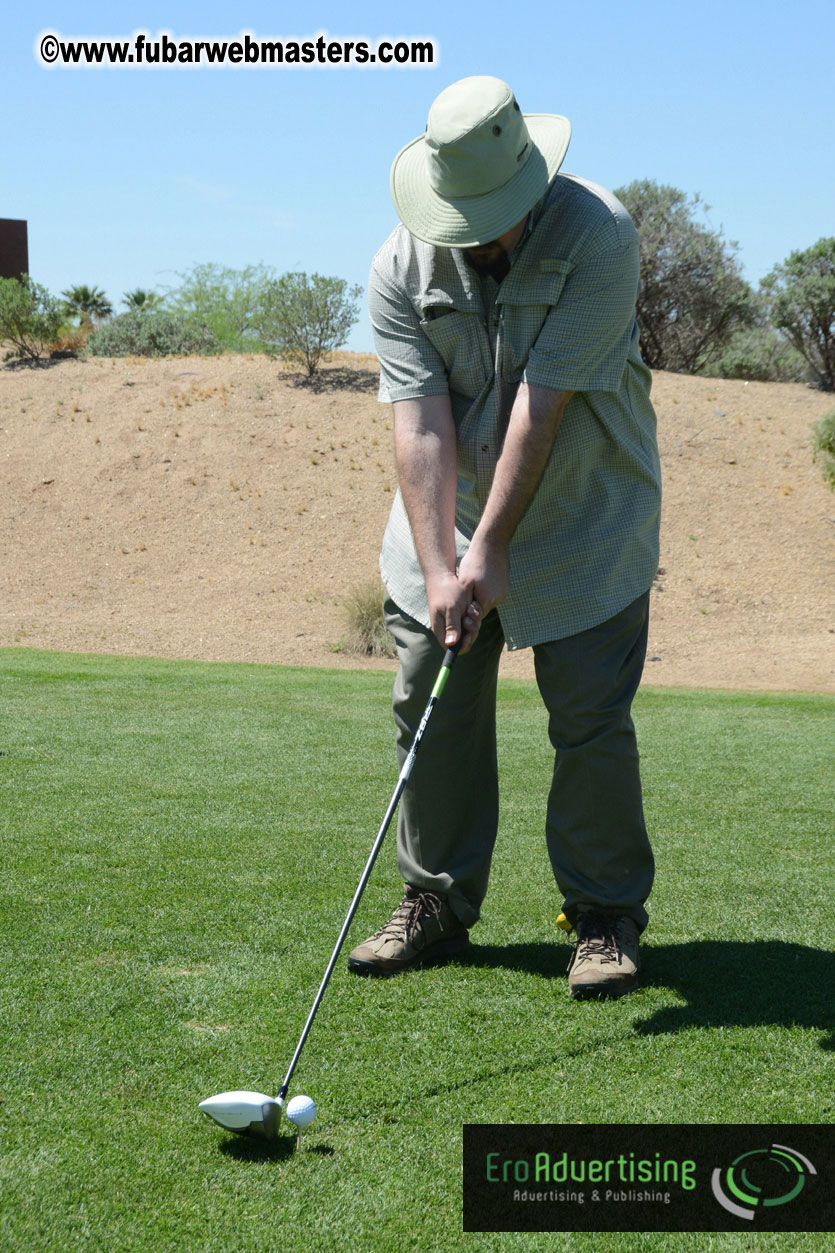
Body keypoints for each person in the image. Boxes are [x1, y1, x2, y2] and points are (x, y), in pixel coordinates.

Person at [347, 76, 662, 998]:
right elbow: (420, 421)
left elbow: (542, 404)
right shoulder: (397, 267)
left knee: (589, 719)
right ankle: (434, 900)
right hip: (442, 513)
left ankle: (604, 916)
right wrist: (446, 562)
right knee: (428, 703)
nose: (482, 234)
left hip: (586, 513)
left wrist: (491, 548)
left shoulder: (600, 235)